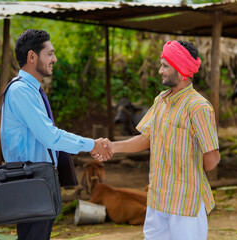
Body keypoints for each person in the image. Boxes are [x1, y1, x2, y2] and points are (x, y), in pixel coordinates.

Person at [97, 40, 220, 240]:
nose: (160, 70)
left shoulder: (199, 107)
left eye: (165, 66)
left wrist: (189, 173)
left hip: (185, 202)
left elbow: (212, 159)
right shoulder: (161, 100)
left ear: (180, 70)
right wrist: (113, 146)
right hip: (158, 197)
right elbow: (147, 138)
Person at [0, 29, 112, 240]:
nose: (55, 59)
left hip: (39, 179)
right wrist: (92, 145)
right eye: (49, 53)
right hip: (29, 181)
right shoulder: (21, 91)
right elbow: (50, 136)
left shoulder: (32, 90)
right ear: (32, 56)